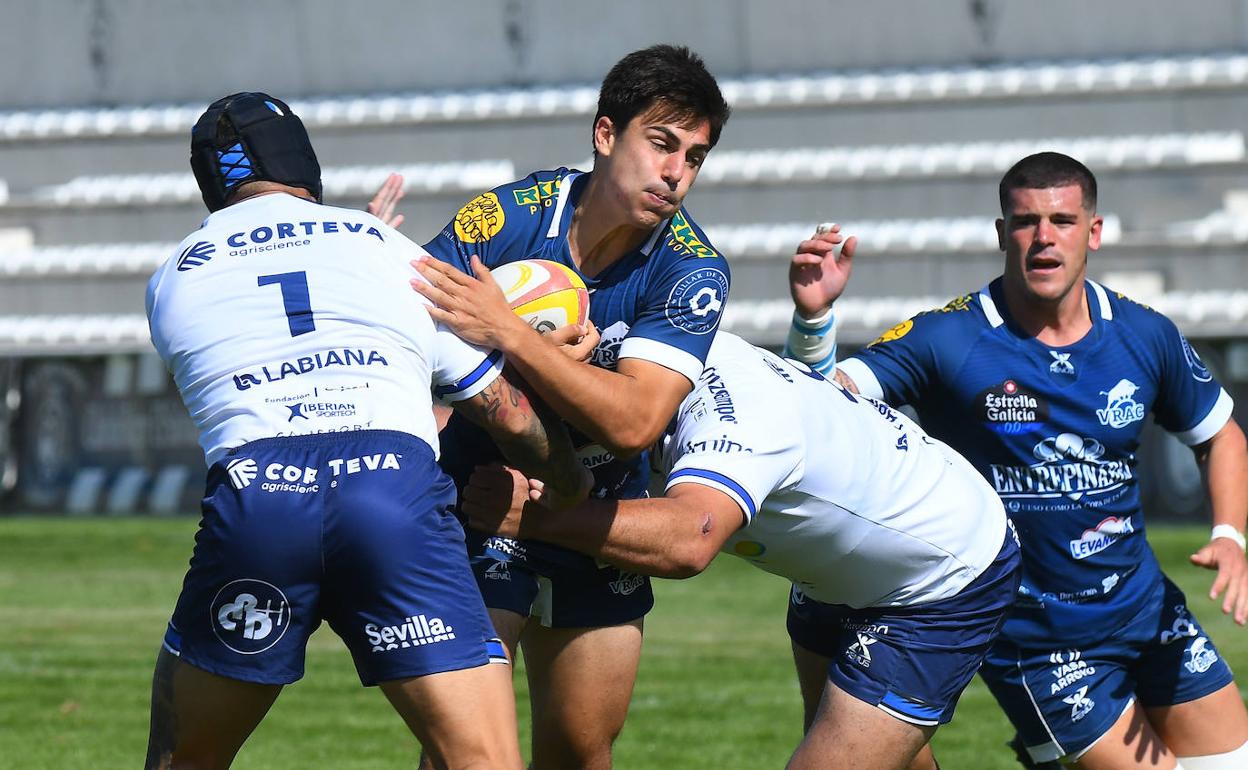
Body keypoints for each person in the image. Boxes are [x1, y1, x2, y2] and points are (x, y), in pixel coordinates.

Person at [143, 91, 589, 770]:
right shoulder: (380, 246)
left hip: (260, 501)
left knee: (181, 759)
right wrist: (568, 481)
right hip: (390, 493)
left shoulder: (172, 275)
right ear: (305, 164)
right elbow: (507, 413)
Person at [785, 151, 1248, 769]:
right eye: (1027, 222)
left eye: (1063, 220)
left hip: (1146, 610)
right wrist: (814, 319)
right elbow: (822, 404)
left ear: (1094, 232)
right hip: (1036, 640)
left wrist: (1229, 536)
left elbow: (1220, 436)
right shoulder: (949, 337)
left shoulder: (1143, 333)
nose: (1044, 237)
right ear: (1003, 233)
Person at [376, 44, 733, 769]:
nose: (675, 172)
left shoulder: (692, 269)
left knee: (579, 752)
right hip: (485, 499)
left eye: (694, 157)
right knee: (467, 751)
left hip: (601, 513)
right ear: (606, 135)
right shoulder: (508, 215)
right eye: (661, 143)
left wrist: (513, 336)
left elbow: (635, 422)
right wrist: (364, 260)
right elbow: (407, 326)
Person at [461, 331, 1022, 770]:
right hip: (843, 566)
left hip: (940, 575)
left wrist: (539, 518)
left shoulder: (737, 422)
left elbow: (690, 540)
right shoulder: (653, 357)